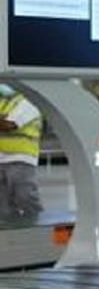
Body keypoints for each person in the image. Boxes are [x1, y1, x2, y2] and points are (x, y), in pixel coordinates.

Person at [0, 83, 44, 226]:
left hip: (21, 158)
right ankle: (13, 230)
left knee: (24, 195)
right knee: (2, 205)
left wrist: (4, 121)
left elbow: (9, 125)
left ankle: (35, 221)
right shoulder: (3, 101)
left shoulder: (30, 101)